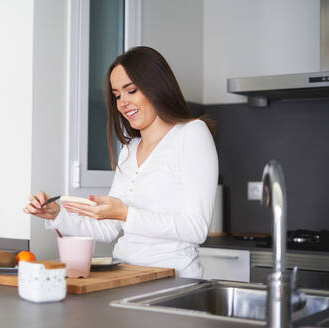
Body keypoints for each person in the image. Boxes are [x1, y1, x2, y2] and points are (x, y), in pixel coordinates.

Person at [23, 46, 218, 278]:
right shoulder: (129, 149)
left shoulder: (192, 133)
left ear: (157, 87)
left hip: (174, 278)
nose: (122, 102)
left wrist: (125, 213)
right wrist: (56, 214)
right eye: (117, 95)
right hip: (125, 273)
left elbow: (195, 229)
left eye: (131, 90)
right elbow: (108, 228)